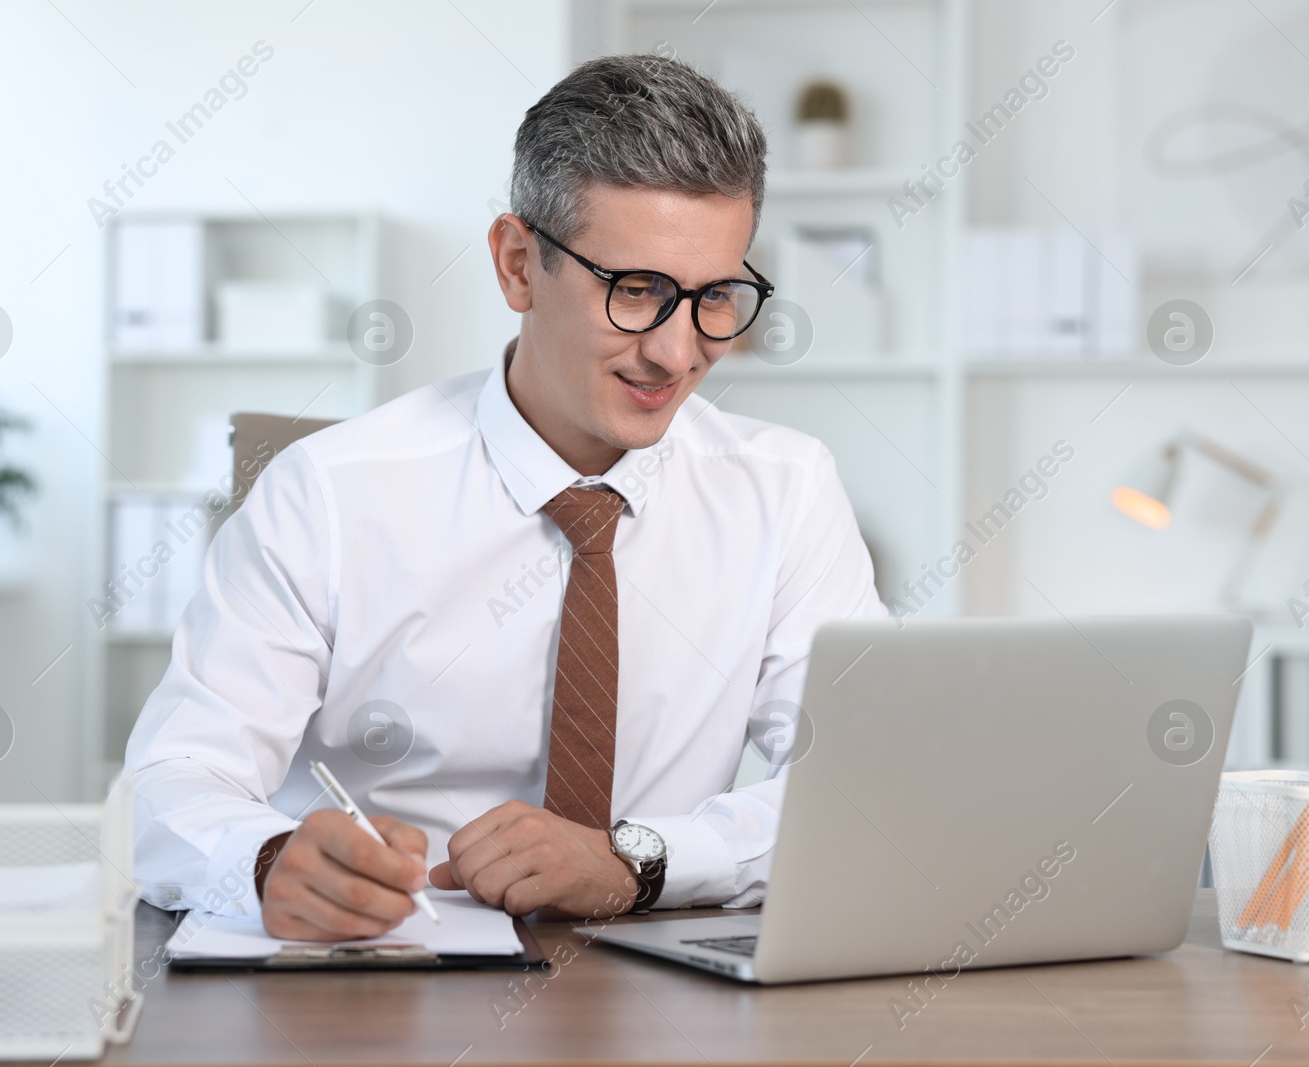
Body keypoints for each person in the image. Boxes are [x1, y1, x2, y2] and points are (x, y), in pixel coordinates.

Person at [125, 52, 886, 942]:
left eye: (714, 296)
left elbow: (860, 784)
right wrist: (264, 863)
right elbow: (170, 779)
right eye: (636, 290)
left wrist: (641, 860)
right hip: (387, 972)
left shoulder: (788, 489)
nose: (678, 355)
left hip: (663, 972)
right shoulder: (328, 494)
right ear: (519, 264)